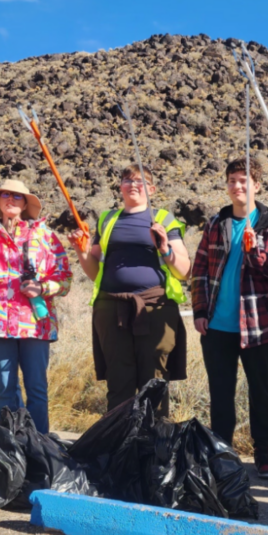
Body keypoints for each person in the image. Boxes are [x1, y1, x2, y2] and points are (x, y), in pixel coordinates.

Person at [191, 157, 268, 479]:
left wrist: (256, 252)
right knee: (221, 393)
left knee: (259, 390)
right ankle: (223, 453)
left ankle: (263, 454)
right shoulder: (216, 223)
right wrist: (200, 311)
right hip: (217, 324)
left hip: (258, 325)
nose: (237, 186)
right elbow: (200, 269)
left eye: (244, 181)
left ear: (256, 186)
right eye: (232, 180)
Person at [68, 165, 190, 417]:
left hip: (156, 308)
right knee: (118, 378)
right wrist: (81, 251)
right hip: (111, 308)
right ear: (120, 186)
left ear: (151, 189)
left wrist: (165, 248)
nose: (133, 185)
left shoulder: (164, 219)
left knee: (153, 379)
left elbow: (184, 270)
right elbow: (95, 272)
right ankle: (119, 438)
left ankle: (153, 438)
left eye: (140, 181)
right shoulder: (107, 219)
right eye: (127, 180)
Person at [0, 179, 72, 434]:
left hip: (35, 324)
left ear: (26, 204)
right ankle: (10, 444)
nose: (11, 199)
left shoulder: (45, 236)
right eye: (5, 194)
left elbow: (64, 279)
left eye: (17, 196)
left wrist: (42, 288)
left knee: (36, 389)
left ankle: (39, 443)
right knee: (4, 389)